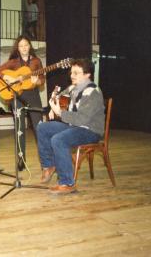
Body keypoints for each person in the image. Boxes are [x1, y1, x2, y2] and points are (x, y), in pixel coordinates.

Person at [36, 58, 105, 195]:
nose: (72, 75)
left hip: (90, 130)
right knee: (43, 128)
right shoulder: (74, 87)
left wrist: (60, 113)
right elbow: (59, 95)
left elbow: (82, 119)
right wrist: (53, 102)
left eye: (76, 73)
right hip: (75, 126)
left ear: (87, 75)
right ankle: (49, 166)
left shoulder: (93, 92)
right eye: (71, 72)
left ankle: (67, 183)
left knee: (58, 139)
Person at [0, 34, 45, 170]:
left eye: (26, 45)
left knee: (39, 128)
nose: (24, 48)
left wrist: (37, 81)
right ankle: (21, 160)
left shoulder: (36, 61)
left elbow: (42, 80)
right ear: (18, 48)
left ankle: (45, 162)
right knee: (19, 129)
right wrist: (8, 78)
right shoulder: (14, 62)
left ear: (30, 46)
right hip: (17, 96)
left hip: (33, 95)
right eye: (21, 46)